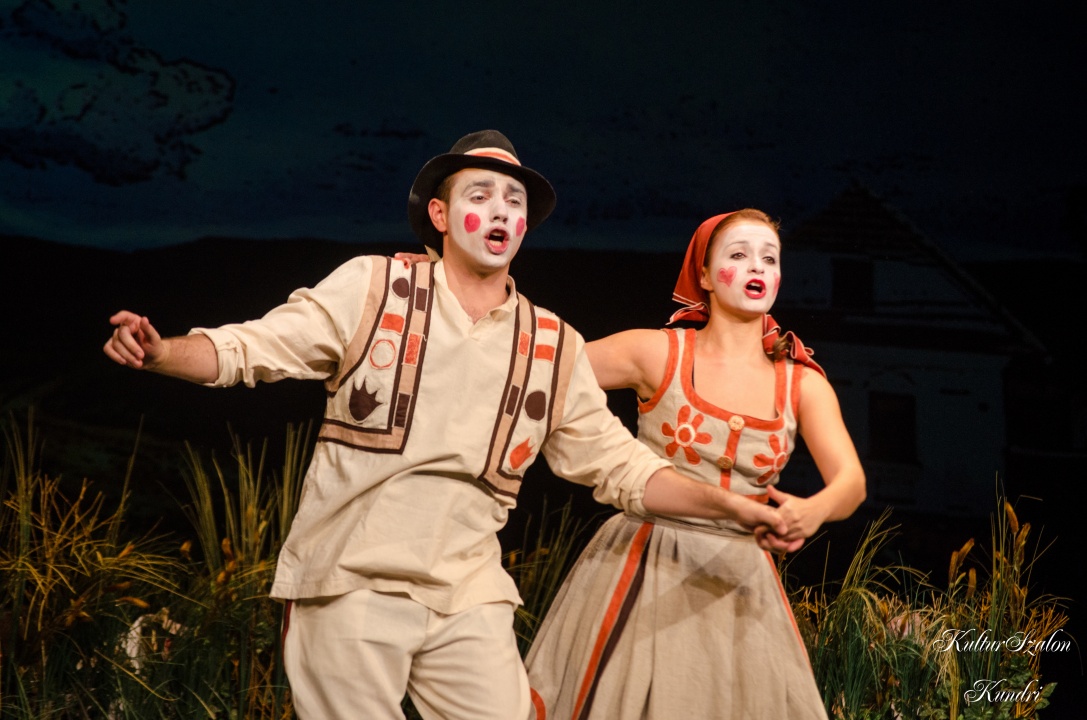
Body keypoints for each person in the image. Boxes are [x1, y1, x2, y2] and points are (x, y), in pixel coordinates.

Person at [102, 133, 792, 720]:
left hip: (469, 592)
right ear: (438, 214)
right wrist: (163, 353)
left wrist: (730, 507)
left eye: (514, 201)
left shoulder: (551, 342)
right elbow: (254, 348)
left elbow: (622, 467)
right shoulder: (372, 286)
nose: (500, 210)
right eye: (479, 195)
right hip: (351, 580)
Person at [523, 209, 866, 720]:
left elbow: (851, 482)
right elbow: (539, 372)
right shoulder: (655, 352)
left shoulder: (801, 383)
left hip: (740, 579)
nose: (757, 266)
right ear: (703, 275)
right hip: (647, 562)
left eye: (769, 258)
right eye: (738, 255)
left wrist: (814, 510)